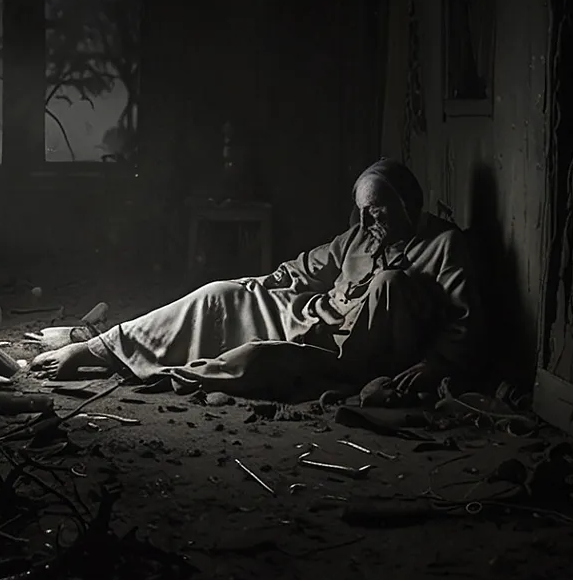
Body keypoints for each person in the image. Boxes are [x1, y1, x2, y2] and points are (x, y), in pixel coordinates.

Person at [30, 158, 482, 401]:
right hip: (315, 319)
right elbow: (302, 269)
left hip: (351, 352)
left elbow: (462, 325)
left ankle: (162, 372)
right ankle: (100, 348)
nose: (366, 222)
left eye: (377, 210)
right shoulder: (358, 234)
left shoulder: (445, 245)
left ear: (407, 204)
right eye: (361, 212)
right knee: (220, 294)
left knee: (256, 359)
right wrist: (254, 289)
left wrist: (438, 366)